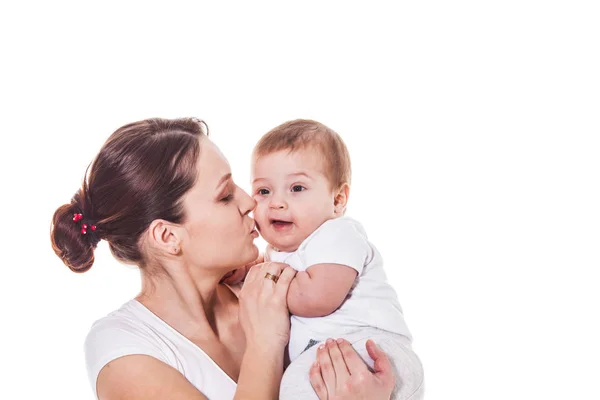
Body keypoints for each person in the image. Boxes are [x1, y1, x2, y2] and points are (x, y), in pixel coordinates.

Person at [50, 117, 399, 400]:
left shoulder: (275, 286)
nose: (250, 202)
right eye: (225, 195)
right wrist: (265, 343)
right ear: (167, 236)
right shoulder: (123, 348)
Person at [248, 119, 425, 399]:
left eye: (296, 188)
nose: (276, 202)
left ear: (338, 200)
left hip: (373, 349)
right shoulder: (280, 254)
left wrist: (257, 280)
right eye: (263, 191)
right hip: (338, 354)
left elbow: (317, 298)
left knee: (295, 385)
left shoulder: (336, 234)